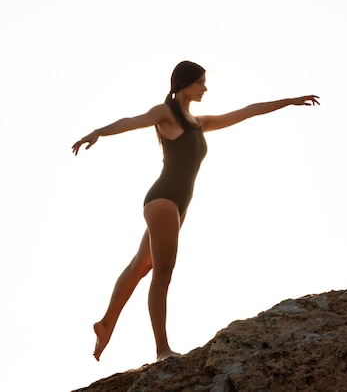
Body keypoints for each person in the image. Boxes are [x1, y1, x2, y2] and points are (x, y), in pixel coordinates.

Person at [72, 61, 319, 362]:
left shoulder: (197, 122)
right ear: (185, 84)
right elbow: (132, 121)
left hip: (178, 206)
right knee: (163, 274)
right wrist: (98, 132)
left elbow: (247, 111)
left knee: (141, 265)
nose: (205, 87)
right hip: (162, 200)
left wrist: (289, 102)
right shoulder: (165, 114)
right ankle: (162, 349)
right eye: (201, 81)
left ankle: (106, 323)